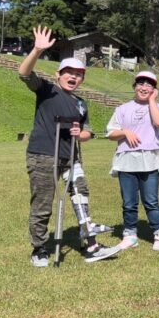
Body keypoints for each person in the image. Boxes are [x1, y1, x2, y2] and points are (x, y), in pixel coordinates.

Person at [18, 25, 120, 266]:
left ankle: (91, 245)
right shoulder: (47, 90)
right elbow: (24, 73)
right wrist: (37, 50)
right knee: (43, 204)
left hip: (71, 158)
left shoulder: (82, 104)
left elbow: (88, 131)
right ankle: (39, 249)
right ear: (59, 74)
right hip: (43, 156)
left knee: (81, 196)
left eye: (78, 74)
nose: (73, 77)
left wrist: (81, 133)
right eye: (68, 72)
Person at [106, 71, 159, 251]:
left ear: (154, 90)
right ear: (134, 87)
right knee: (129, 201)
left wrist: (152, 101)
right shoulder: (122, 109)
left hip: (149, 159)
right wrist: (125, 132)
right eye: (140, 84)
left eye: (149, 85)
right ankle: (130, 234)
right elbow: (111, 132)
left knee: (150, 200)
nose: (144, 88)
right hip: (126, 160)